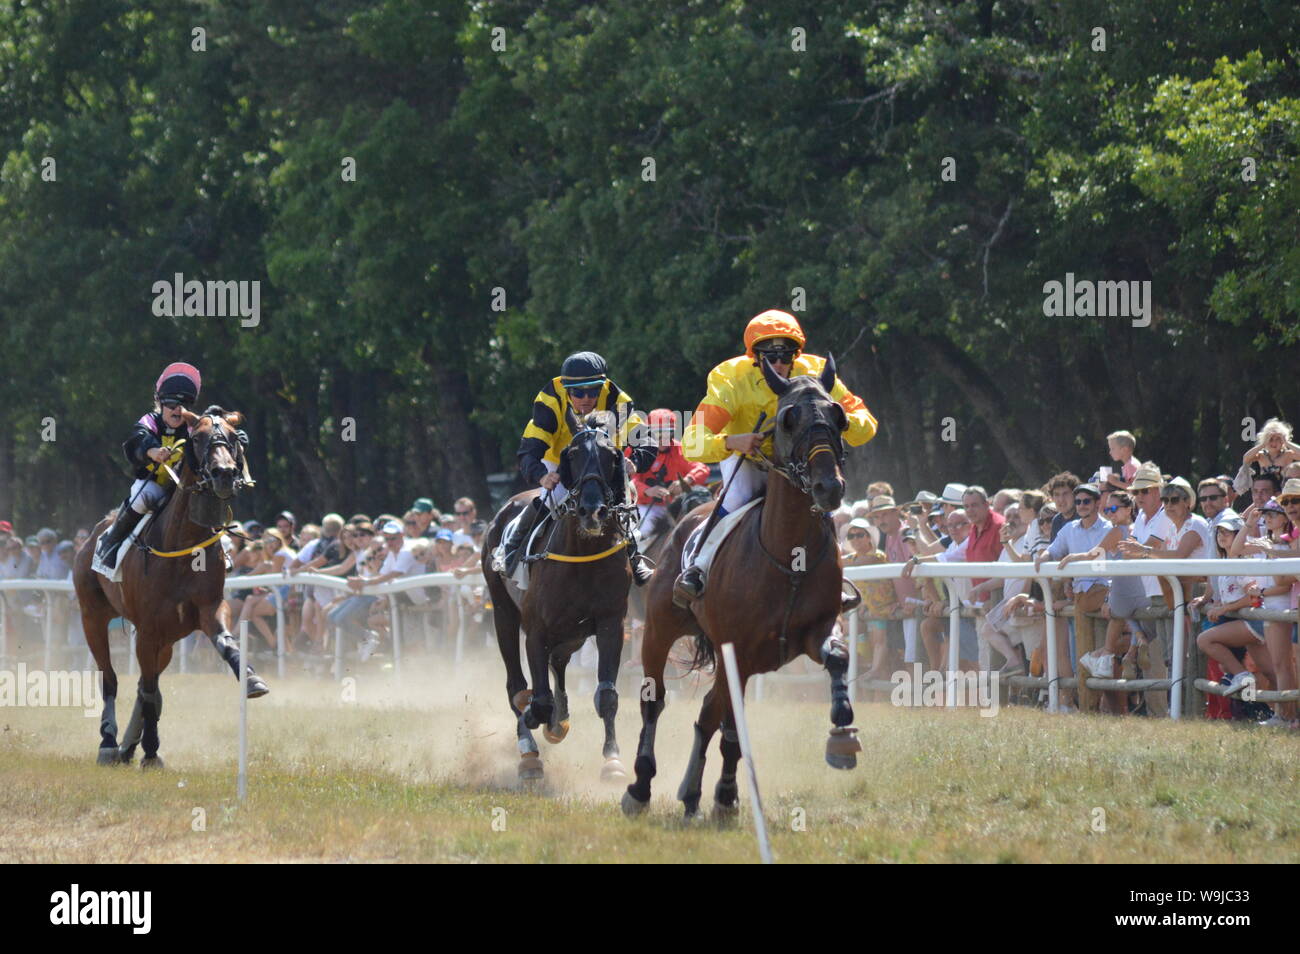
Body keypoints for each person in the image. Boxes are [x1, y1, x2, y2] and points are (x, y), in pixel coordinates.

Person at [674, 310, 877, 601]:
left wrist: (841, 419)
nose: (781, 363)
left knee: (824, 501)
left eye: (787, 355)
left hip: (795, 464)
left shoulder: (818, 373)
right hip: (748, 457)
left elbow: (866, 424)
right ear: (755, 356)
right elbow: (691, 443)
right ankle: (698, 568)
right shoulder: (729, 378)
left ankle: (835, 580)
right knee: (737, 499)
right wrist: (732, 440)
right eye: (771, 356)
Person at [497, 351, 658, 583]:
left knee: (626, 497)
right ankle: (511, 548)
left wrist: (637, 462)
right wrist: (542, 476)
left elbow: (647, 440)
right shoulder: (549, 401)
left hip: (601, 462)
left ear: (602, 387)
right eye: (577, 392)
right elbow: (528, 451)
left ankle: (634, 555)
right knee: (551, 496)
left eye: (593, 391)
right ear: (566, 389)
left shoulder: (619, 402)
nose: (585, 398)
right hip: (563, 459)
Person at [95, 362, 209, 570]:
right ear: (161, 404)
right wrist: (153, 452)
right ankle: (111, 543)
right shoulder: (150, 420)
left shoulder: (195, 426)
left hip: (184, 488)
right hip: (154, 484)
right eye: (172, 404)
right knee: (144, 496)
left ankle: (219, 552)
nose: (178, 409)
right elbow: (138, 438)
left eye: (183, 405)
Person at [632, 409, 710, 536]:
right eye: (658, 434)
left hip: (675, 508)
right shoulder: (640, 451)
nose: (663, 439)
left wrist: (687, 480)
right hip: (645, 507)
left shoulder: (680, 449)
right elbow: (631, 480)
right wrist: (647, 490)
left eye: (668, 434)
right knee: (641, 531)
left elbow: (702, 469)